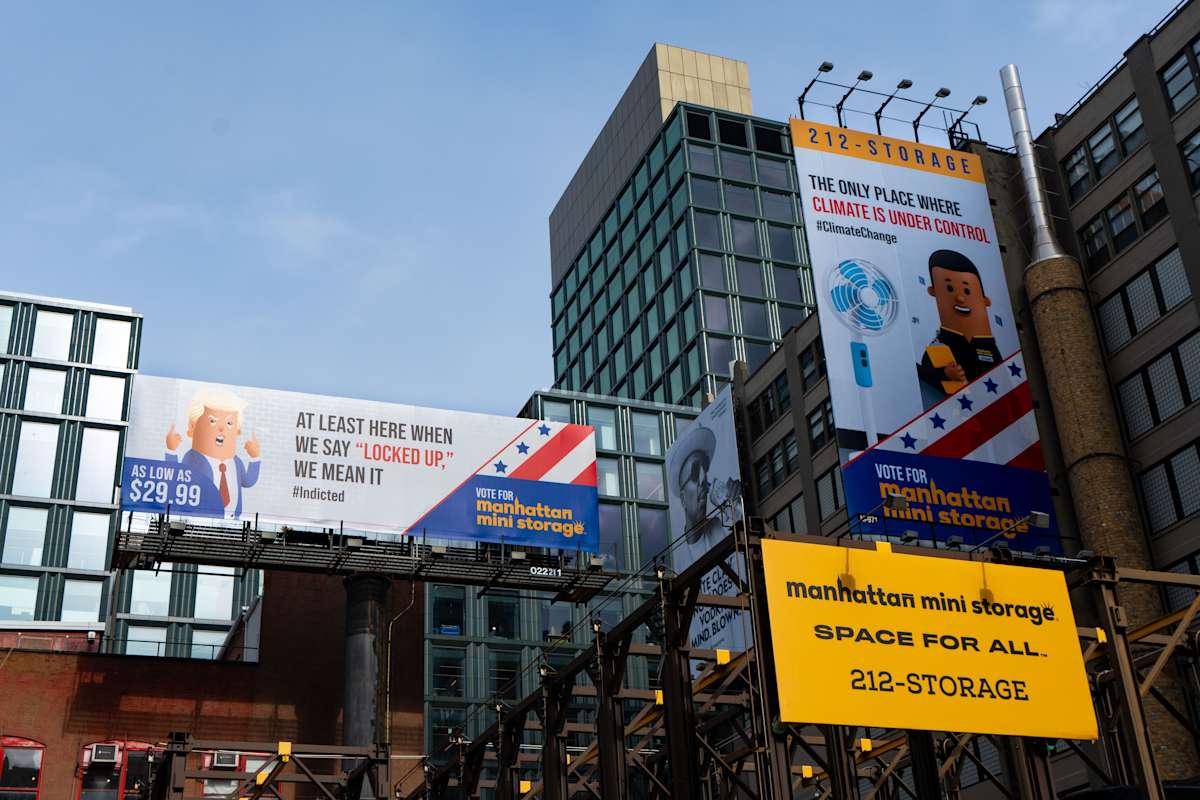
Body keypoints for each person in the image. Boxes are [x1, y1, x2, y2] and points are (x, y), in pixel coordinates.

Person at [165, 386, 262, 518]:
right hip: (200, 519)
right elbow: (178, 478)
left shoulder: (236, 461)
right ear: (192, 427)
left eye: (229, 423)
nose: (221, 428)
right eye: (212, 421)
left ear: (237, 431)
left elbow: (247, 481)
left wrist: (255, 458)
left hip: (233, 522)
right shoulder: (193, 458)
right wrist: (171, 451)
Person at [916, 249, 1002, 397]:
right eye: (949, 288)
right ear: (932, 291)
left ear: (985, 300)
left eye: (967, 291)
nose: (960, 298)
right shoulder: (940, 346)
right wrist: (944, 373)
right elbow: (924, 376)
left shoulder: (989, 347)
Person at [667, 423, 738, 547]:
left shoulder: (720, 529)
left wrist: (739, 506)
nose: (703, 478)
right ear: (683, 499)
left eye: (705, 467)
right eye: (694, 474)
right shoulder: (677, 558)